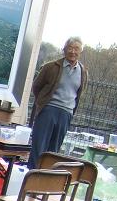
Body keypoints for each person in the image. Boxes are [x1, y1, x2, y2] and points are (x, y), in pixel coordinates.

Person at [28, 38, 87, 167]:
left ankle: (46, 179)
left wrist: (71, 112)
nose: (72, 51)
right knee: (39, 146)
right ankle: (31, 177)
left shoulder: (82, 72)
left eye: (76, 49)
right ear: (64, 50)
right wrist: (43, 102)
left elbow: (79, 94)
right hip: (48, 110)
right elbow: (36, 86)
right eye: (70, 48)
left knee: (53, 151)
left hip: (66, 113)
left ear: (80, 52)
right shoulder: (51, 67)